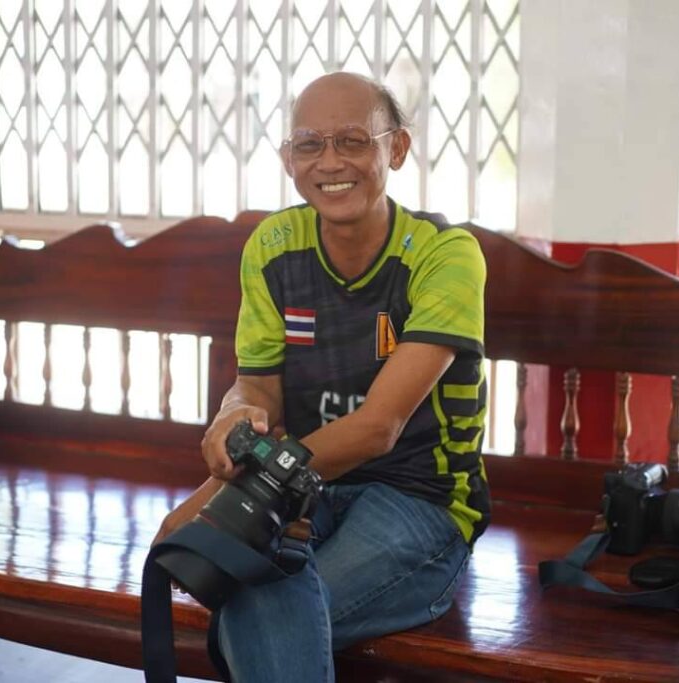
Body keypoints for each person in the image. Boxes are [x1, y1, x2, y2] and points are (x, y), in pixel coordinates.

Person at [152, 71, 490, 682]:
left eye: (353, 141)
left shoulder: (444, 254)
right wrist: (235, 412)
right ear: (289, 159)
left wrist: (205, 503)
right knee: (256, 602)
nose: (330, 162)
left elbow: (378, 428)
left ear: (397, 148)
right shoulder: (273, 246)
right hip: (307, 487)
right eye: (309, 144)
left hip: (421, 501)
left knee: (259, 614)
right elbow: (258, 386)